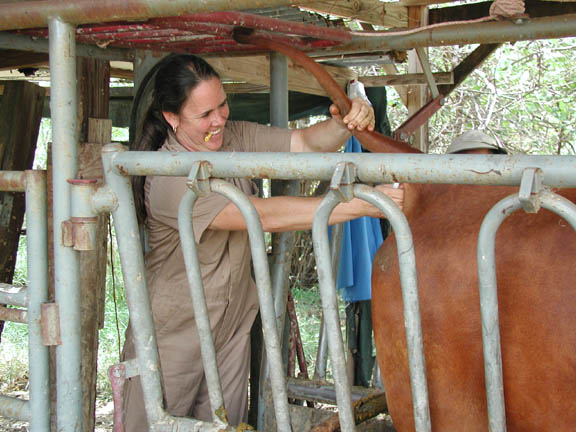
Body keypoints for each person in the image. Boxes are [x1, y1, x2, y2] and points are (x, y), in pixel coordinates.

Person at [123, 53, 404, 430]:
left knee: (226, 425)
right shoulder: (166, 176)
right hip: (174, 331)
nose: (219, 119)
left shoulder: (231, 136)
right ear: (172, 119)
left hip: (231, 324)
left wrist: (346, 122)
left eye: (222, 105)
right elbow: (258, 215)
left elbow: (303, 142)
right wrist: (358, 204)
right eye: (204, 114)